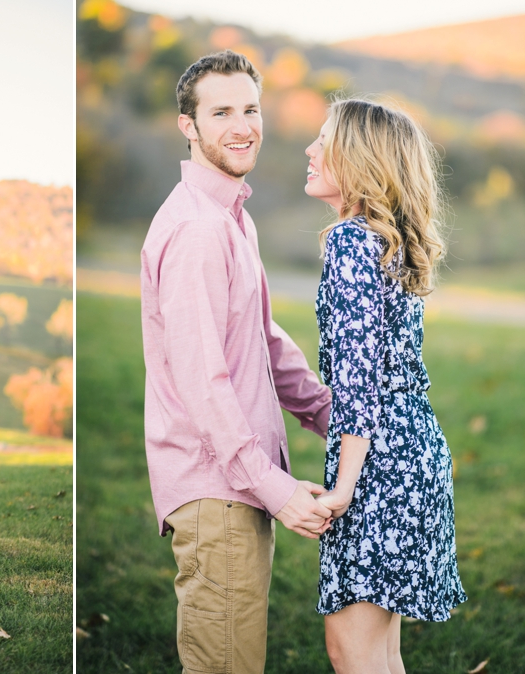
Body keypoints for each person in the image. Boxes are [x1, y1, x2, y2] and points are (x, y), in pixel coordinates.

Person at [140, 50, 334, 674]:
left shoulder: (231, 218)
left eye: (249, 108)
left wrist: (332, 412)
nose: (242, 125)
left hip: (235, 487)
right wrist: (275, 489)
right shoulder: (198, 230)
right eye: (220, 112)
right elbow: (204, 384)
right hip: (218, 487)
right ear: (188, 125)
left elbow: (261, 336)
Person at [305, 99, 466, 673]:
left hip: (378, 465)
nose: (309, 149)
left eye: (323, 140)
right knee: (381, 653)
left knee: (354, 653)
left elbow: (358, 379)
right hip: (414, 446)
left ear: (357, 158)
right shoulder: (388, 241)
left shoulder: (352, 243)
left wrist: (344, 487)